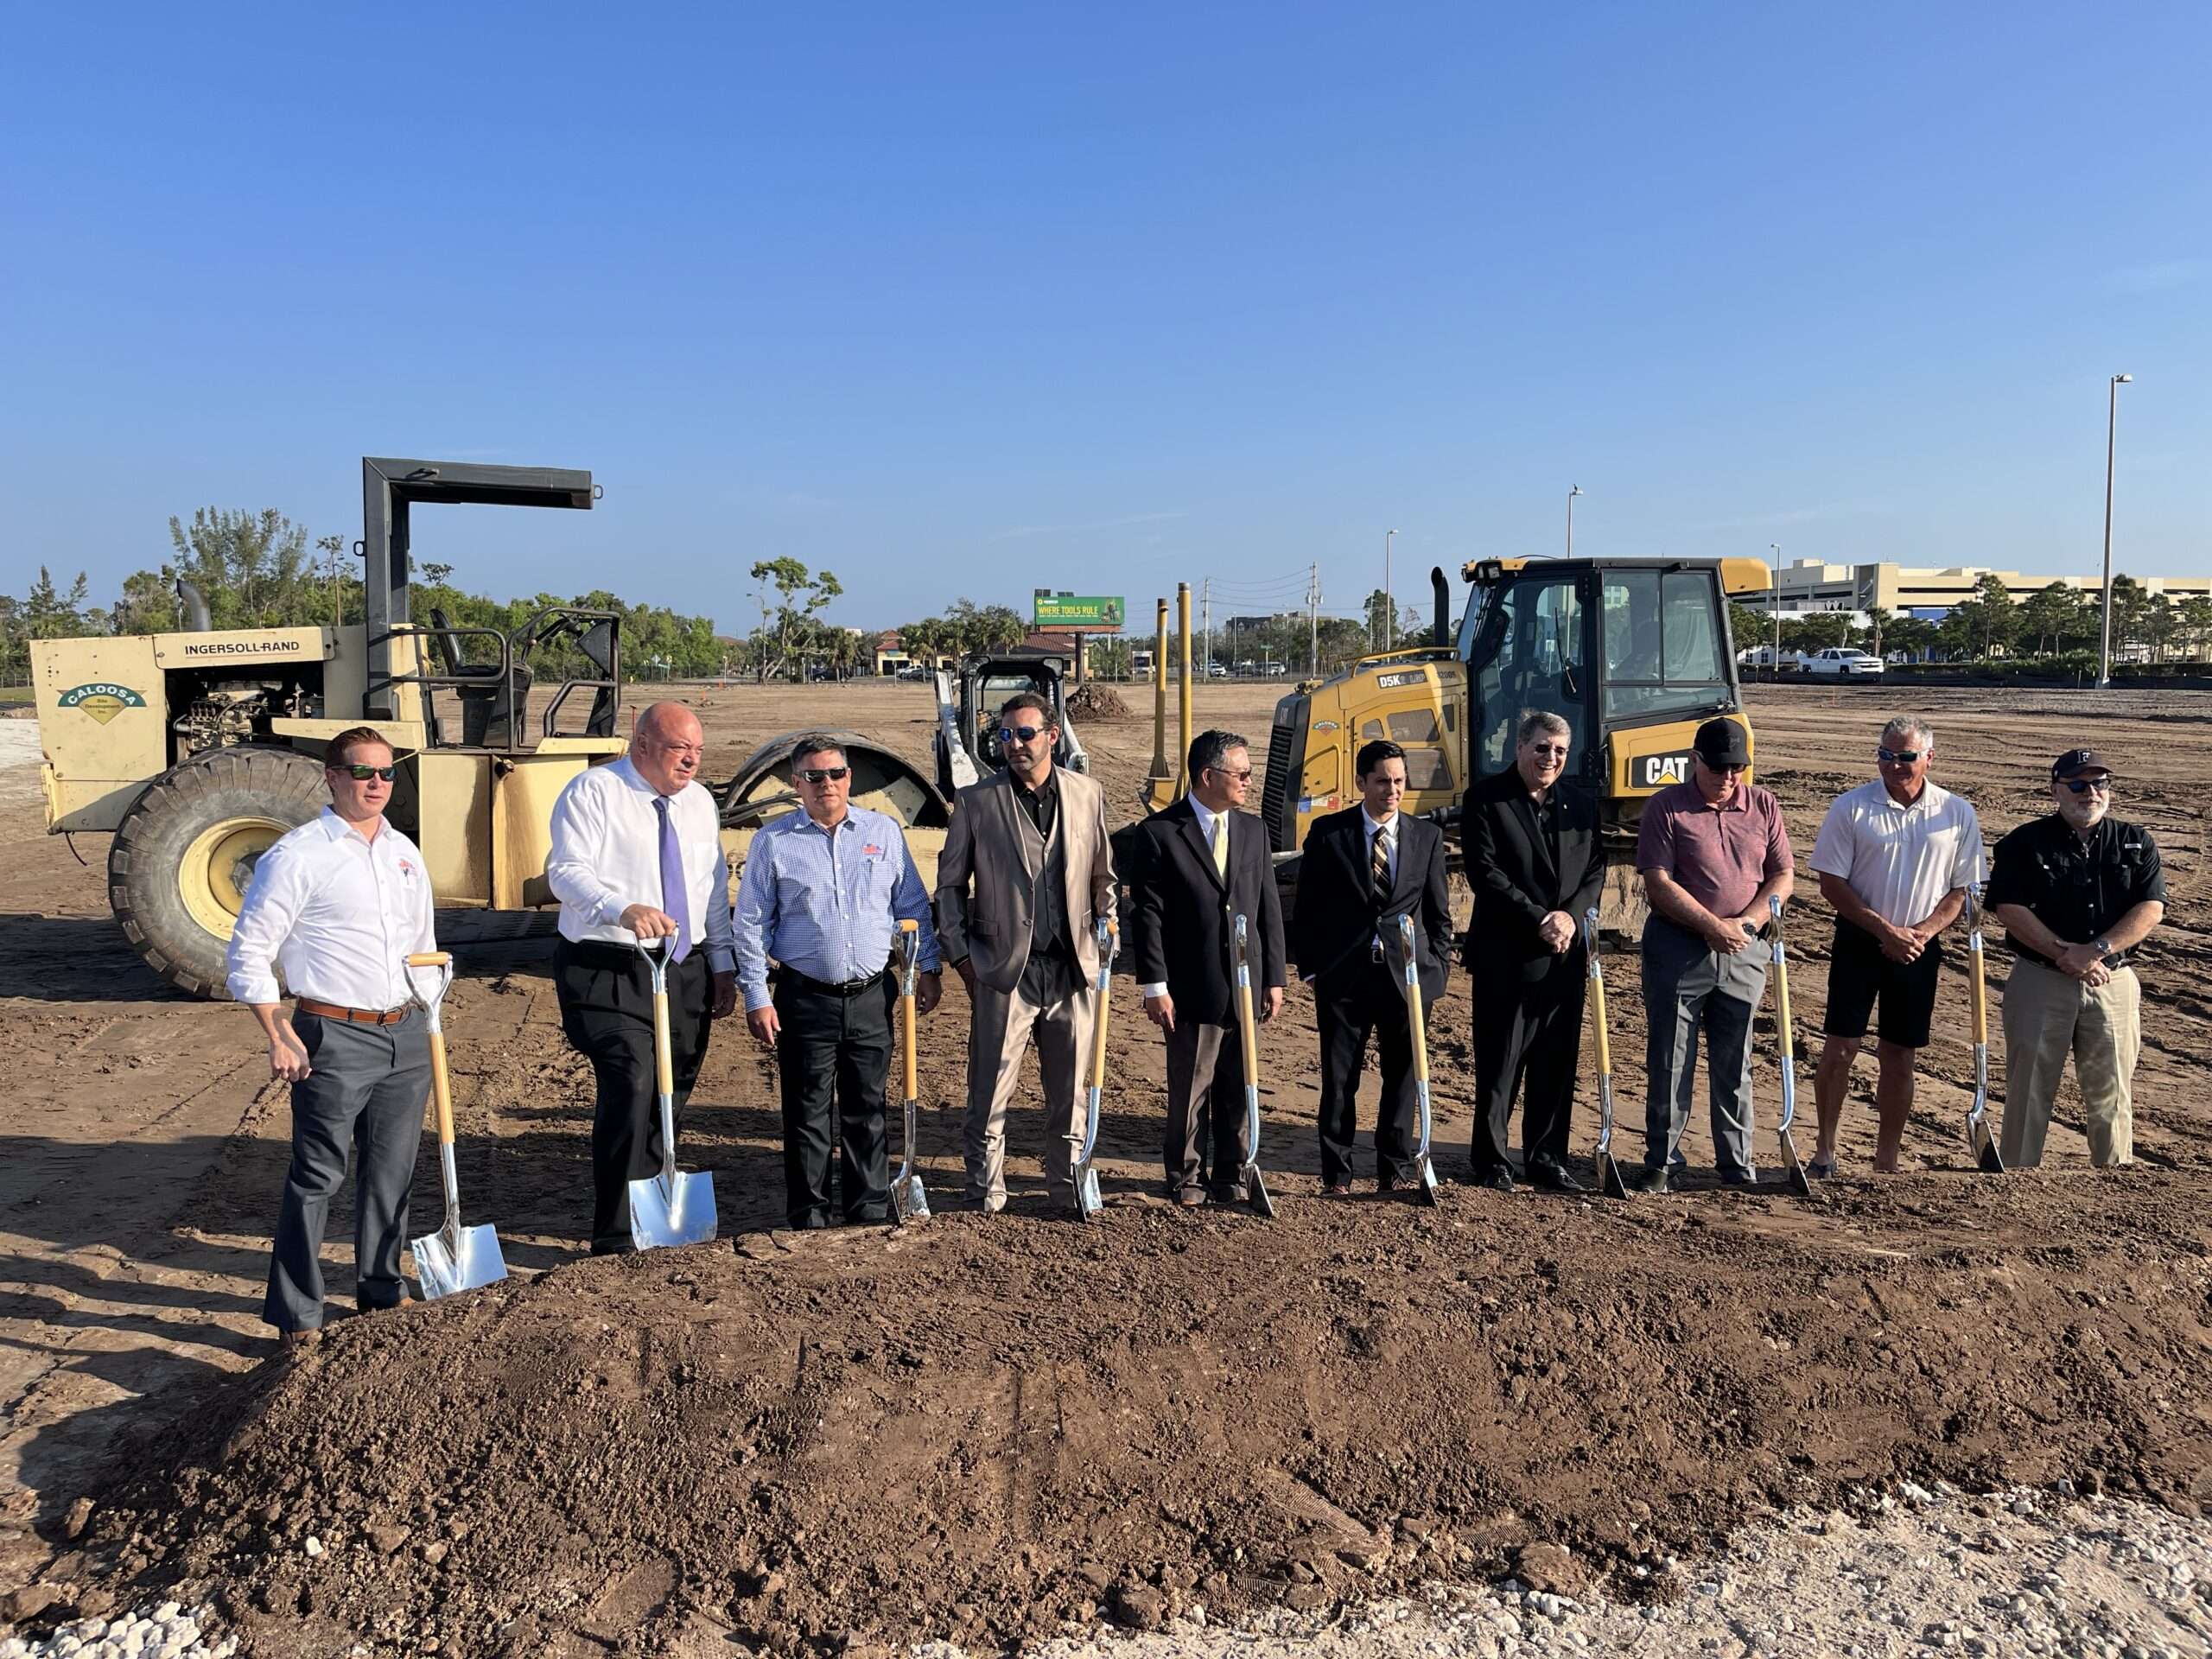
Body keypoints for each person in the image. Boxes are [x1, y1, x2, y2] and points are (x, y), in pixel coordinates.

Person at [226, 727, 435, 1345]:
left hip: (406, 1030)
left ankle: (380, 1288)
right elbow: (250, 950)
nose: (377, 783)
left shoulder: (404, 852)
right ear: (333, 777)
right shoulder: (298, 855)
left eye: (387, 773)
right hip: (333, 1033)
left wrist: (431, 1014)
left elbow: (422, 944)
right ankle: (298, 1314)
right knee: (318, 1175)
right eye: (363, 772)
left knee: (392, 1173)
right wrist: (277, 1030)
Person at [546, 702, 738, 1255]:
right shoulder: (593, 792)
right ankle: (615, 1234)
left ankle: (655, 1210)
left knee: (670, 1091)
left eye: (699, 751)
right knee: (632, 1081)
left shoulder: (701, 804)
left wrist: (720, 963)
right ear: (644, 744)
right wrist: (620, 908)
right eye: (683, 750)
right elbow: (566, 870)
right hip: (608, 966)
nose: (693, 762)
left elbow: (708, 887)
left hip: (682, 968)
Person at [734, 734, 941, 1227]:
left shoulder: (884, 832)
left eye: (835, 774)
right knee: (807, 1115)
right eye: (813, 776)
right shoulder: (774, 842)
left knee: (868, 1108)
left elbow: (911, 905)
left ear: (849, 778)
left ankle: (867, 1207)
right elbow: (751, 923)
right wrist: (757, 997)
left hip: (872, 994)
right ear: (796, 783)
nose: (826, 784)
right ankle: (809, 1214)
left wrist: (927, 967)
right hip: (805, 998)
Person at [936, 692, 1117, 1213]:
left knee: (1071, 1093)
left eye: (1025, 734)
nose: (1013, 744)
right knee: (990, 1090)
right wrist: (963, 958)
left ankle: (1067, 1189)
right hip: (1002, 972)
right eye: (1005, 735)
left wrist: (1107, 933)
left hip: (1071, 969)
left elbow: (1104, 875)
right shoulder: (977, 801)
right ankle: (985, 1192)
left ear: (1052, 737)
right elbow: (949, 886)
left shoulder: (1087, 794)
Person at [1807, 716, 1983, 1176]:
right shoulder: (1850, 808)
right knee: (1840, 1048)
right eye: (1886, 755)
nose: (1895, 765)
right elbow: (1831, 882)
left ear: (1928, 758)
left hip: (1919, 949)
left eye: (1905, 757)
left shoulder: (1956, 812)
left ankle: (1887, 1159)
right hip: (1859, 942)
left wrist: (1920, 934)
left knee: (1899, 1054)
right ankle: (1825, 1149)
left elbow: (1961, 890)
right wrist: (1884, 930)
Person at [1634, 715, 1794, 1191]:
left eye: (1737, 769)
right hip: (1679, 948)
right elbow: (1658, 882)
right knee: (1670, 1057)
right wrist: (1711, 926)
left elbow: (1782, 876)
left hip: (1744, 950)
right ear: (1695, 761)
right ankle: (1662, 1161)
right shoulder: (1666, 807)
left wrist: (1745, 924)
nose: (1728, 779)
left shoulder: (1763, 804)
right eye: (1719, 769)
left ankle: (1736, 1164)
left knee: (1736, 1059)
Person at [1127, 729, 1286, 1205]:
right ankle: (1186, 1176)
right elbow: (1147, 915)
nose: (1249, 782)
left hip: (1245, 984)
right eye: (1242, 774)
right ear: (1207, 775)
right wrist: (1155, 984)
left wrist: (1273, 976)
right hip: (1190, 985)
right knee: (1192, 1088)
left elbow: (1267, 909)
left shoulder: (1254, 830)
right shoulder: (1158, 834)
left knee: (1239, 1084)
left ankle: (1232, 1174)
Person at [1986, 747, 2164, 1169]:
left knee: (2113, 1092)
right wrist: (2063, 953)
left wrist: (2096, 951)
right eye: (2079, 785)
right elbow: (2009, 907)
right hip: (2040, 980)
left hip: (2113, 981)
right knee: (2029, 1089)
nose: (2090, 793)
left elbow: (2150, 908)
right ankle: (2016, 1177)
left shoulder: (2136, 841)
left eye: (2100, 784)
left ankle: (2114, 1179)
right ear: (2056, 791)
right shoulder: (2023, 842)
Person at [1291, 739, 1451, 1194]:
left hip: (1409, 979)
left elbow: (1438, 914)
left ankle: (1395, 1170)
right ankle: (1337, 1174)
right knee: (1340, 1079)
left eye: (1399, 781)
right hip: (1344, 977)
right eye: (1383, 781)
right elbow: (1307, 911)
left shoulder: (1426, 837)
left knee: (1402, 1077)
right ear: (1361, 782)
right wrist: (1312, 968)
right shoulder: (1328, 834)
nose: (1393, 790)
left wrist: (1435, 968)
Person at [1460, 711, 1605, 1192]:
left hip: (1564, 953)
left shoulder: (1580, 805)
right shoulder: (1486, 798)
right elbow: (1485, 872)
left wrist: (1568, 917)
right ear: (1519, 748)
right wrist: (1539, 917)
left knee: (1555, 1062)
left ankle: (1546, 1157)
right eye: (1542, 748)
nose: (1551, 758)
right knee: (1501, 1060)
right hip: (1508, 951)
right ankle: (1492, 1159)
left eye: (1560, 750)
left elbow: (1596, 870)